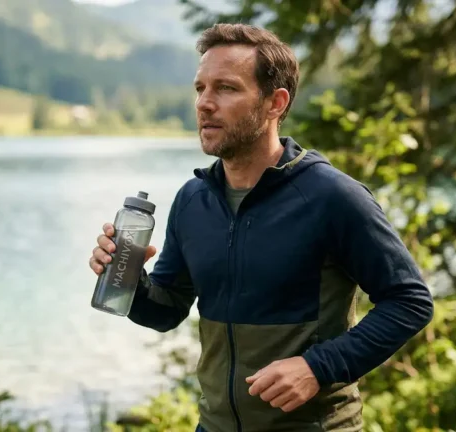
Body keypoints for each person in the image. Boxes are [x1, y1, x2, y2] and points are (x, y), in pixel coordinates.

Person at [89, 23, 434, 432]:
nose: (204, 103)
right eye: (200, 88)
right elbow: (167, 311)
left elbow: (410, 301)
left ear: (275, 103)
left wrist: (316, 367)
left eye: (226, 89)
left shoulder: (331, 196)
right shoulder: (192, 200)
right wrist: (131, 281)